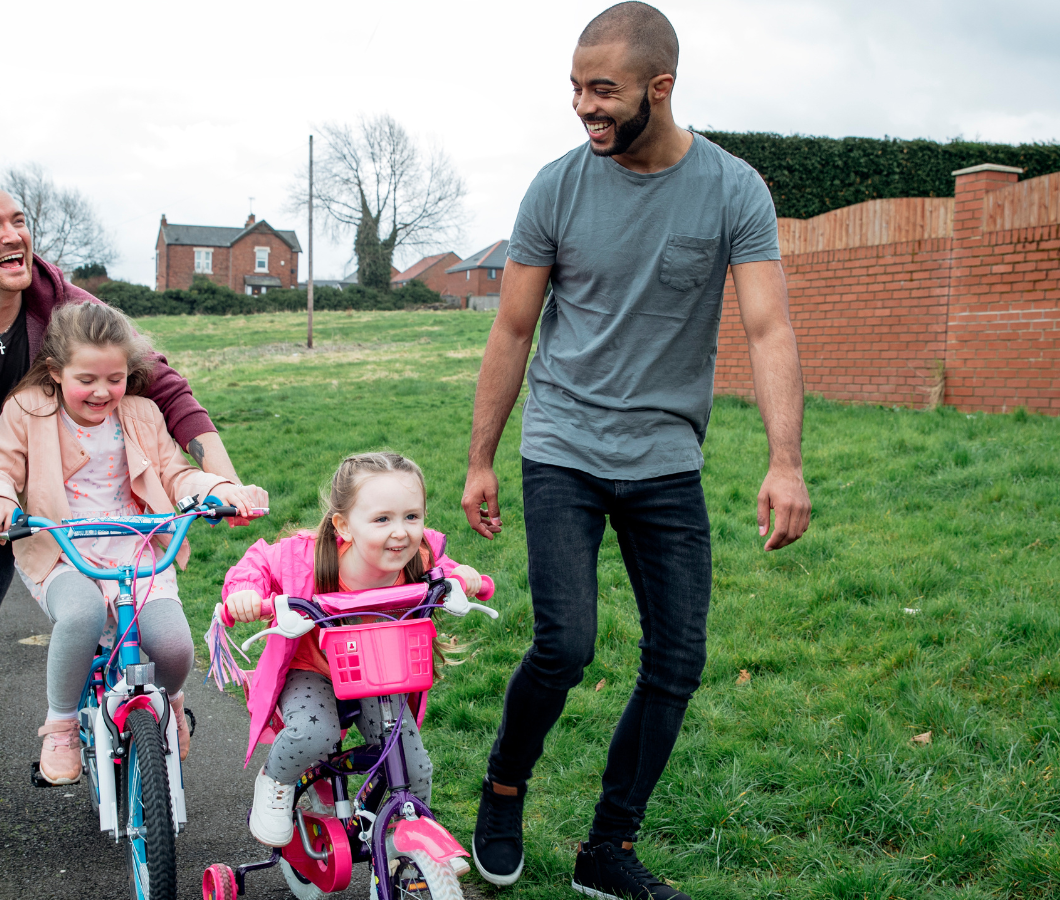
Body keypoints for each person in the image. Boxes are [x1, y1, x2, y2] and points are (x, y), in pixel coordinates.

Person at [459, 4, 812, 898]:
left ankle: (607, 850)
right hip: (565, 443)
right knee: (566, 644)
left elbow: (769, 330)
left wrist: (786, 461)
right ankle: (503, 790)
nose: (584, 106)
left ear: (661, 87)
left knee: (678, 661)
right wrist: (481, 458)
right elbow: (512, 328)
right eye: (576, 88)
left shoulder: (734, 190)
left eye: (602, 90)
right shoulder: (557, 187)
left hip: (664, 455)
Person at [0, 182, 247, 848]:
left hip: (27, 494)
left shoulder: (65, 306)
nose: (13, 235)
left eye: (19, 220)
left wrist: (224, 481)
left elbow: (160, 381)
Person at [0, 302, 267, 784]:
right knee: (82, 615)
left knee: (172, 647)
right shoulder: (28, 411)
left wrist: (215, 489)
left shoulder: (141, 414)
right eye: (86, 379)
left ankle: (169, 702)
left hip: (136, 543)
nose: (102, 391)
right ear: (55, 371)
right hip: (62, 544)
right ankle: (62, 725)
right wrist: (0, 497)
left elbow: (176, 472)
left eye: (115, 378)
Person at [220, 451, 486, 850]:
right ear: (343, 525)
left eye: (412, 516)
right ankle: (275, 781)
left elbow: (445, 569)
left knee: (415, 769)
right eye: (382, 519)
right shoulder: (307, 557)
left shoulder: (419, 557)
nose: (401, 532)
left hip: (379, 668)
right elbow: (258, 563)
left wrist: (465, 578)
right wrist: (244, 593)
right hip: (313, 667)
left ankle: (407, 854)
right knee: (314, 733)